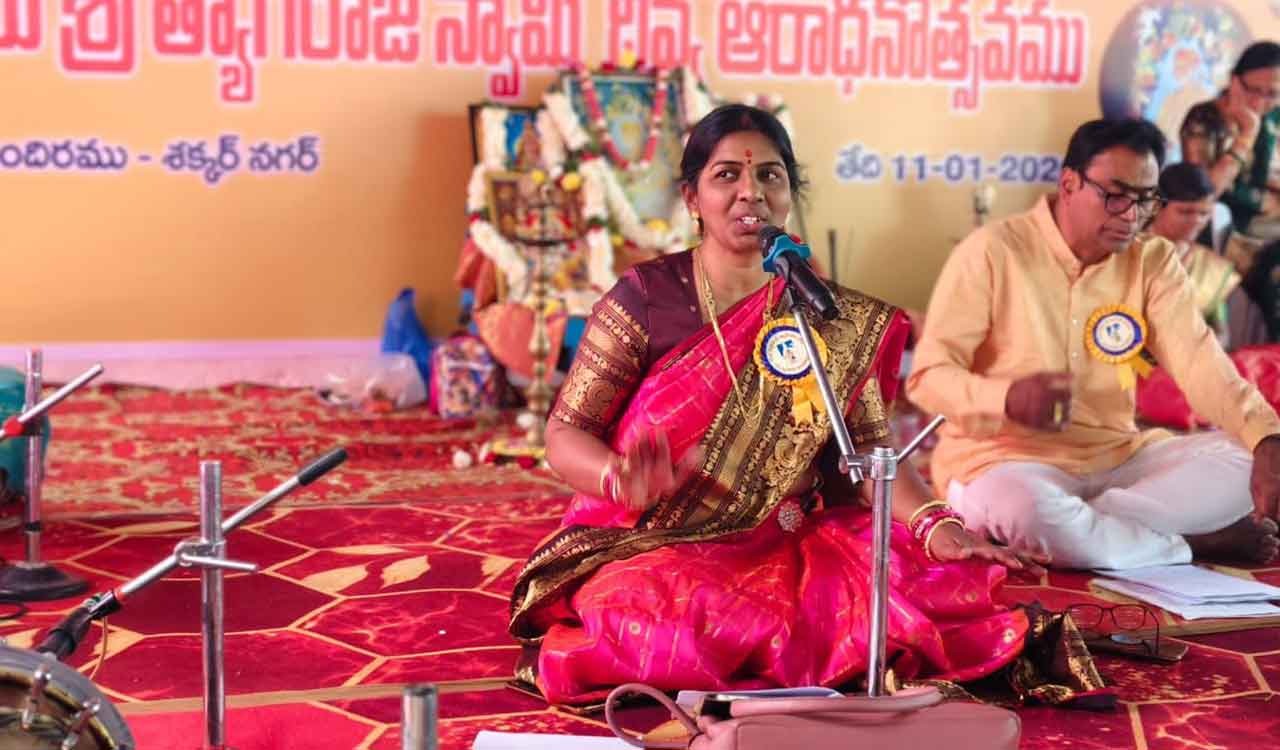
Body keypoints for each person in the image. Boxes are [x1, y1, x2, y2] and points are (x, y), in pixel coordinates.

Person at [508, 104, 1103, 708]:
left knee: (927, 592)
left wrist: (936, 525)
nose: (751, 192)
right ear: (692, 198)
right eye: (727, 176)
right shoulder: (645, 298)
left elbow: (869, 452)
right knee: (652, 620)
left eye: (770, 175)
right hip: (660, 543)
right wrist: (617, 476)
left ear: (790, 194)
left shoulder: (828, 314)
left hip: (789, 539)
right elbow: (566, 432)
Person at [908, 118, 1280, 572]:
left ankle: (1099, 532)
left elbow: (1199, 361)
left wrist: (1265, 437)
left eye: (1145, 200)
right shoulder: (992, 251)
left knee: (1249, 459)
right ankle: (1187, 543)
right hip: (1004, 461)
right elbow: (928, 376)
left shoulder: (1151, 260)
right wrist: (1006, 398)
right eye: (1116, 195)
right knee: (1026, 509)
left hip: (1118, 458)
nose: (1130, 215)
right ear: (1069, 183)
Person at [1180, 41, 1280, 239]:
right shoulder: (1204, 119)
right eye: (1253, 90)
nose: (1259, 101)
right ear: (1234, 80)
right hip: (1219, 223)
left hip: (1267, 217)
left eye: (1272, 94)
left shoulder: (1274, 116)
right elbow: (1203, 193)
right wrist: (1247, 133)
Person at [1147, 162, 1240, 345]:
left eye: (1204, 213)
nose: (1197, 221)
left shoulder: (1212, 267)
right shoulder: (1127, 252)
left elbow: (1221, 332)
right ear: (1157, 206)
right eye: (1185, 212)